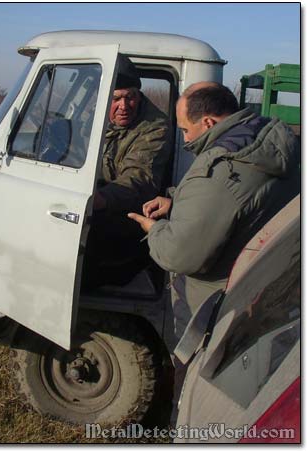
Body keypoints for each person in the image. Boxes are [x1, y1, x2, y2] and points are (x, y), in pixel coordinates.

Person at [128, 81, 300, 421]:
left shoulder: (222, 168)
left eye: (186, 130)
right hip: (265, 293)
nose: (186, 139)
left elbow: (180, 254)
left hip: (215, 313)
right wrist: (178, 199)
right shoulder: (261, 138)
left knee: (195, 394)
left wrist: (155, 229)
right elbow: (242, 200)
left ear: (207, 122)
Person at [82, 55, 172, 289]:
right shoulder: (97, 116)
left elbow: (138, 179)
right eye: (116, 98)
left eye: (130, 97)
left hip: (127, 222)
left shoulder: (154, 128)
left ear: (138, 95)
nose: (124, 106)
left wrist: (97, 200)